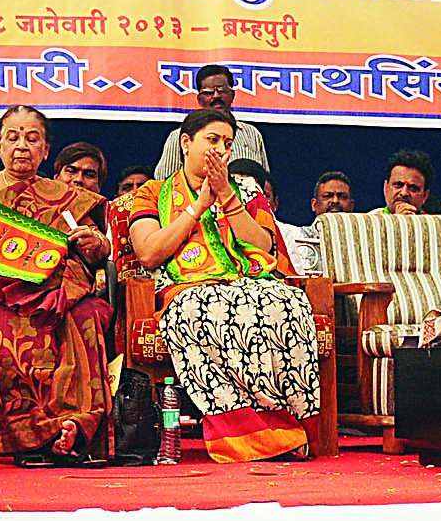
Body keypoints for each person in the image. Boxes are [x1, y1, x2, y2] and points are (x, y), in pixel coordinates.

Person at [124, 108, 320, 462]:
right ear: (186, 143)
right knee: (206, 308)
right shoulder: (153, 192)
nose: (220, 150)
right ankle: (252, 433)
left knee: (288, 303)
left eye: (227, 143)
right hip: (186, 291)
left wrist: (228, 198)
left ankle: (288, 425)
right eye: (211, 140)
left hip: (248, 282)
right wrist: (198, 206)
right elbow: (149, 253)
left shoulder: (246, 189)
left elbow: (263, 246)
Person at [0, 106, 112, 466]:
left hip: (61, 286)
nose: (22, 146)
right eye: (13, 137)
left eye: (32, 138)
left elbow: (98, 250)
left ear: (45, 150)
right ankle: (28, 437)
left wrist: (95, 245)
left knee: (83, 315)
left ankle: (74, 427)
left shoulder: (70, 198)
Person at [155, 64, 268, 176]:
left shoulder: (251, 134)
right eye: (209, 92)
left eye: (221, 90)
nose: (216, 96)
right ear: (199, 99)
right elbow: (163, 182)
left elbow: (265, 182)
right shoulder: (179, 137)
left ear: (232, 95)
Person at [231, 159, 319, 275]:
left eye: (248, 190)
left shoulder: (282, 232)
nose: (243, 197)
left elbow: (291, 275)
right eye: (237, 188)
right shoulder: (214, 217)